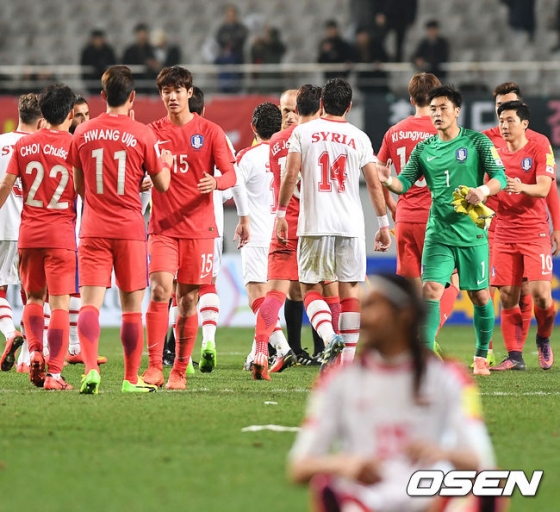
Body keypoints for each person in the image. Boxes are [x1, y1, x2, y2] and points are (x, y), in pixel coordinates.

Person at [288, 273, 498, 512]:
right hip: (366, 500)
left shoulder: (449, 377)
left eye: (372, 306)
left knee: (485, 492)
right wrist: (346, 464)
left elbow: (482, 462)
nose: (362, 317)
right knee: (327, 488)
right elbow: (300, 467)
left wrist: (443, 453)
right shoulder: (337, 382)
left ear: (405, 314)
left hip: (432, 498)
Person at [377, 85, 507, 376]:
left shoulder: (477, 142)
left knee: (480, 297)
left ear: (457, 111)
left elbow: (499, 176)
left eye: (443, 108)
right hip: (438, 232)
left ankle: (481, 356)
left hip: (472, 232)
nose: (437, 113)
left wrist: (483, 190)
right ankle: (423, 354)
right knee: (431, 289)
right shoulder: (424, 148)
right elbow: (404, 184)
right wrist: (388, 181)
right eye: (433, 109)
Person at [67, 65, 171, 394]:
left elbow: (79, 185)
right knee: (130, 309)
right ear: (132, 97)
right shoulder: (143, 133)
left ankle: (89, 370)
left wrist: (101, 200)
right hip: (129, 230)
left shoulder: (83, 132)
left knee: (89, 305)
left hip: (93, 228)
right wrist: (164, 163)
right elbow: (163, 186)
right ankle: (129, 380)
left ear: (102, 96)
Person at [277, 78, 391, 369]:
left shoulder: (302, 133)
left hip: (315, 223)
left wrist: (280, 214)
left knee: (309, 287)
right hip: (351, 225)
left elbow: (290, 176)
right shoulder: (360, 137)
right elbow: (375, 185)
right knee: (350, 289)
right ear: (350, 107)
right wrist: (382, 224)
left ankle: (329, 337)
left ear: (322, 104)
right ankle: (347, 362)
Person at [143, 66, 237, 391]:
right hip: (163, 228)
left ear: (189, 92)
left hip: (199, 230)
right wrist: (144, 181)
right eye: (165, 91)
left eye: (177, 91)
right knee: (159, 289)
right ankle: (155, 367)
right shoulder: (151, 132)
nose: (171, 97)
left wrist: (217, 182)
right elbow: (140, 173)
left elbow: (231, 175)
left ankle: (179, 371)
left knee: (187, 301)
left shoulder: (210, 132)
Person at [0, 84, 77, 390]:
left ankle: (33, 353)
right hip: (60, 234)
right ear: (70, 114)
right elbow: (85, 191)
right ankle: (55, 374)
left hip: (28, 233)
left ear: (43, 114)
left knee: (32, 298)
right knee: (57, 305)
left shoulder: (24, 145)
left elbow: (6, 187)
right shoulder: (75, 145)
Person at [481, 82, 560, 371]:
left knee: (540, 294)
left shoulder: (539, 144)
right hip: (502, 230)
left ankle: (543, 338)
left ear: (524, 122)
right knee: (508, 295)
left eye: (509, 119)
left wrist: (520, 187)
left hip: (534, 230)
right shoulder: (489, 147)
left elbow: (544, 188)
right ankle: (514, 357)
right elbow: (484, 183)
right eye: (500, 119)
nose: (503, 125)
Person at [376, 73, 460, 338]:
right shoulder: (443, 130)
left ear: (410, 98)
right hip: (437, 220)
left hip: (405, 219)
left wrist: (391, 204)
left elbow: (378, 173)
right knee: (452, 280)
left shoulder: (394, 131)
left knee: (414, 291)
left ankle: (416, 340)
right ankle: (427, 337)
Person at [250, 85, 324, 372]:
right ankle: (329, 350)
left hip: (284, 225)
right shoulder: (316, 138)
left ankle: (261, 351)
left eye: (294, 110)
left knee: (276, 294)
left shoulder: (274, 144)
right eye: (285, 111)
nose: (290, 115)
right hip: (315, 227)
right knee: (322, 293)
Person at [231, 102, 296, 380]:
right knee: (273, 298)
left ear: (253, 128)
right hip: (284, 232)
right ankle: (275, 348)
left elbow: (230, 186)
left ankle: (280, 347)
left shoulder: (247, 156)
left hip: (257, 234)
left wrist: (242, 217)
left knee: (258, 297)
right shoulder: (287, 153)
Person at [0, 93, 42, 372]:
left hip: (2, 225)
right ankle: (28, 359)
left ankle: (9, 332)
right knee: (33, 294)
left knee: (0, 289)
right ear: (41, 121)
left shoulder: (1, 143)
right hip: (32, 228)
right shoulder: (39, 147)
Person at [215, 4, 248, 93]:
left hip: (237, 57)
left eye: (232, 15)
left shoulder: (241, 28)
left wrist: (231, 40)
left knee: (237, 78)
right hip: (225, 58)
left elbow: (241, 39)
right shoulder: (222, 28)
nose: (230, 17)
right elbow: (219, 39)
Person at [122, 23, 159, 94]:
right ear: (136, 34)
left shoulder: (151, 49)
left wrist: (153, 64)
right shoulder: (130, 50)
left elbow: (156, 63)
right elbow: (125, 64)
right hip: (134, 82)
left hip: (148, 82)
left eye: (144, 33)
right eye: (140, 34)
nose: (142, 36)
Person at [352, 26, 389, 94]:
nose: (362, 39)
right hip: (364, 80)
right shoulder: (355, 49)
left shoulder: (376, 45)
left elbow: (384, 57)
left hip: (377, 78)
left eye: (363, 35)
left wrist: (378, 62)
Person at [80, 29, 117, 95]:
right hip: (91, 81)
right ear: (92, 40)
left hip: (106, 81)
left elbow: (113, 64)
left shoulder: (109, 51)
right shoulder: (87, 51)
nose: (98, 41)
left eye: (99, 39)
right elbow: (83, 66)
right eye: (96, 39)